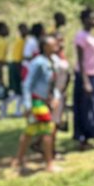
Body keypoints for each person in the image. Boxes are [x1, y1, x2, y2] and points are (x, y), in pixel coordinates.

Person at [16, 35, 59, 174]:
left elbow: (53, 83)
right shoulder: (38, 63)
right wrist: (28, 105)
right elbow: (27, 84)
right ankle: (49, 163)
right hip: (37, 101)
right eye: (53, 44)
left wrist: (56, 97)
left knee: (30, 131)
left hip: (46, 101)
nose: (56, 46)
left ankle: (19, 160)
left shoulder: (52, 61)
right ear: (45, 47)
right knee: (47, 130)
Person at [72, 7, 94, 151]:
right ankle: (82, 139)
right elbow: (81, 60)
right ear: (85, 20)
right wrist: (85, 81)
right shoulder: (81, 37)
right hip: (86, 77)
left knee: (93, 107)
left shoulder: (92, 36)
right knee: (85, 108)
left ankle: (89, 136)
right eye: (92, 18)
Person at [8, 22, 28, 102]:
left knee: (19, 89)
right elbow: (18, 57)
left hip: (17, 65)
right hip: (17, 65)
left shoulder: (23, 41)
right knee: (19, 89)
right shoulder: (21, 42)